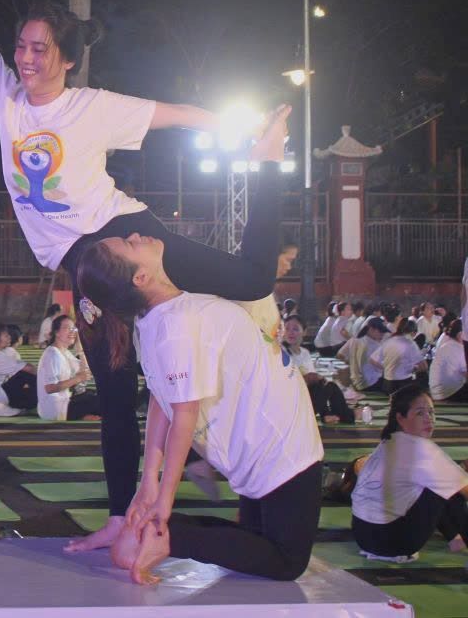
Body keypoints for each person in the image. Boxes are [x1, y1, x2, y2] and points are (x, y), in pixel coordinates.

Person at [0, 0, 293, 552]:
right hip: (84, 262)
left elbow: (171, 115)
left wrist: (242, 131)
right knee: (114, 385)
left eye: (41, 48)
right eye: (22, 45)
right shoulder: (5, 99)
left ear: (68, 59)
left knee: (250, 279)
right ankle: (117, 517)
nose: (25, 56)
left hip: (129, 234)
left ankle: (270, 168)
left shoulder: (90, 106)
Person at [75, 216, 323, 584]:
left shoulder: (153, 320)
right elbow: (183, 415)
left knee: (259, 542)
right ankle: (170, 536)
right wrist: (163, 498)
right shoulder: (176, 323)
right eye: (130, 244)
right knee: (287, 562)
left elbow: (162, 402)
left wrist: (150, 484)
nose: (137, 235)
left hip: (257, 447)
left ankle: (155, 533)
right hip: (283, 449)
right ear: (140, 278)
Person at [351, 385, 468, 559]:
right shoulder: (421, 448)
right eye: (420, 413)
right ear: (401, 418)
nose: (429, 419)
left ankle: (454, 538)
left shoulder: (387, 442)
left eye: (431, 412)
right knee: (451, 489)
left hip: (362, 536)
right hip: (393, 542)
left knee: (442, 481)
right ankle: (457, 538)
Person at [283, 315, 355, 424]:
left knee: (329, 385)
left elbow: (313, 381)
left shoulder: (305, 353)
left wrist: (314, 378)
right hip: (292, 401)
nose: (290, 332)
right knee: (323, 384)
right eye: (287, 328)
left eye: (295, 329)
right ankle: (344, 415)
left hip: (308, 397)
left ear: (304, 331)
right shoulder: (282, 352)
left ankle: (330, 415)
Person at [37, 314, 98, 421]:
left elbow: (86, 371)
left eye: (74, 328)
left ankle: (84, 416)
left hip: (65, 402)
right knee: (101, 400)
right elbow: (50, 388)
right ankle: (85, 416)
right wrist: (78, 379)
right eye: (67, 328)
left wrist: (80, 347)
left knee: (94, 394)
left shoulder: (65, 352)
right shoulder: (52, 354)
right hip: (55, 408)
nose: (72, 331)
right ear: (56, 332)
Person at [369, 319, 427, 394]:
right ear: (413, 333)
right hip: (402, 384)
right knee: (423, 376)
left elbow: (372, 360)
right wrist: (412, 369)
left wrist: (387, 368)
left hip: (387, 383)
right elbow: (424, 366)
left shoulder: (389, 341)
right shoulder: (410, 343)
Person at [337, 317, 388, 393]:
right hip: (370, 384)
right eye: (381, 331)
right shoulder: (375, 345)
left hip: (355, 383)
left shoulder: (353, 340)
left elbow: (339, 355)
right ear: (371, 329)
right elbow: (383, 367)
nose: (383, 334)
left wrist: (352, 363)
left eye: (384, 332)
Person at [430, 319, 468, 403]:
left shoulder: (448, 344)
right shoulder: (458, 348)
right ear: (460, 334)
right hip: (448, 392)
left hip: (438, 391)